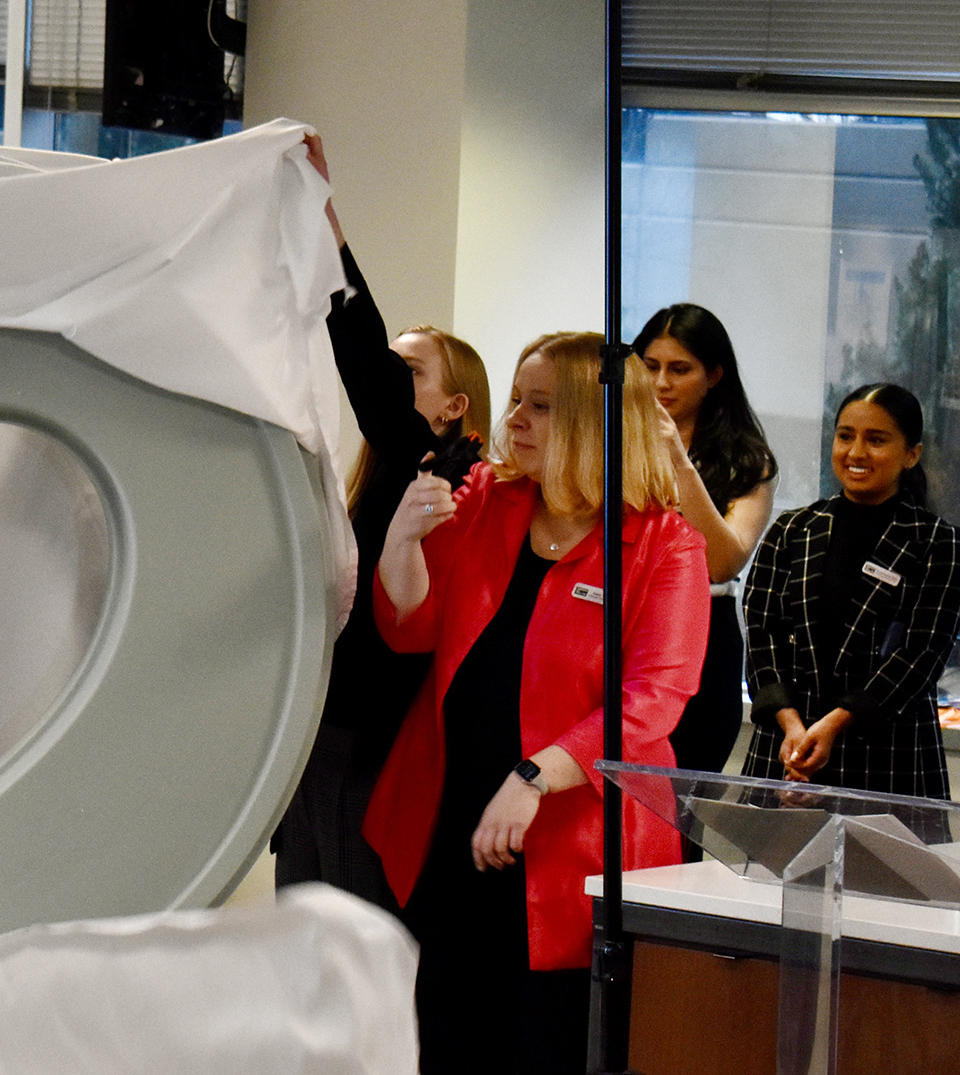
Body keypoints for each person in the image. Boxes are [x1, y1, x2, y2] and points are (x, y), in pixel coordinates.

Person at [363, 332, 709, 1074]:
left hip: (575, 848)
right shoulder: (488, 500)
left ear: (594, 421)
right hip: (450, 830)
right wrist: (400, 544)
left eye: (541, 405)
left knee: (543, 1044)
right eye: (518, 398)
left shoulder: (664, 545)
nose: (514, 418)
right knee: (441, 1040)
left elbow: (653, 699)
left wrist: (533, 777)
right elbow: (412, 628)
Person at [272, 135, 489, 912]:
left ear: (454, 405)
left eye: (412, 372)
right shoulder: (377, 477)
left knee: (349, 936)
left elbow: (362, 360)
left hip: (375, 742)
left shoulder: (441, 468)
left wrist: (326, 228)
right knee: (301, 935)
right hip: (323, 734)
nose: (391, 381)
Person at [741, 384, 960, 798]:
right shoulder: (792, 530)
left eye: (876, 440)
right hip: (788, 750)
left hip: (890, 757)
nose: (856, 453)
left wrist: (836, 723)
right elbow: (761, 634)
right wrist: (792, 725)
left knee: (884, 865)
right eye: (845, 436)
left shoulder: (938, 543)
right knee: (779, 863)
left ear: (911, 454)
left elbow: (921, 656)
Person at [632, 305, 776, 779]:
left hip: (703, 629)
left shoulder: (747, 460)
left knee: (681, 802)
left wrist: (677, 459)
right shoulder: (612, 440)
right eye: (650, 366)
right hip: (619, 617)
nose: (661, 383)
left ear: (714, 375)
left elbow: (723, 561)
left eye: (679, 369)